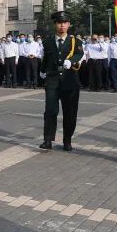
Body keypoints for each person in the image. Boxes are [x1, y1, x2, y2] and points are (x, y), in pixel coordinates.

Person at [40, 11, 84, 151]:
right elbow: (45, 58)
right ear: (55, 24)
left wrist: (71, 61)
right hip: (52, 79)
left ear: (68, 24)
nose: (62, 25)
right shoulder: (47, 41)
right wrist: (42, 71)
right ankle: (47, 140)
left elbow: (79, 54)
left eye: (64, 23)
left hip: (70, 80)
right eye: (59, 23)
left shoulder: (75, 41)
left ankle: (67, 140)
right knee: (50, 111)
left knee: (70, 112)